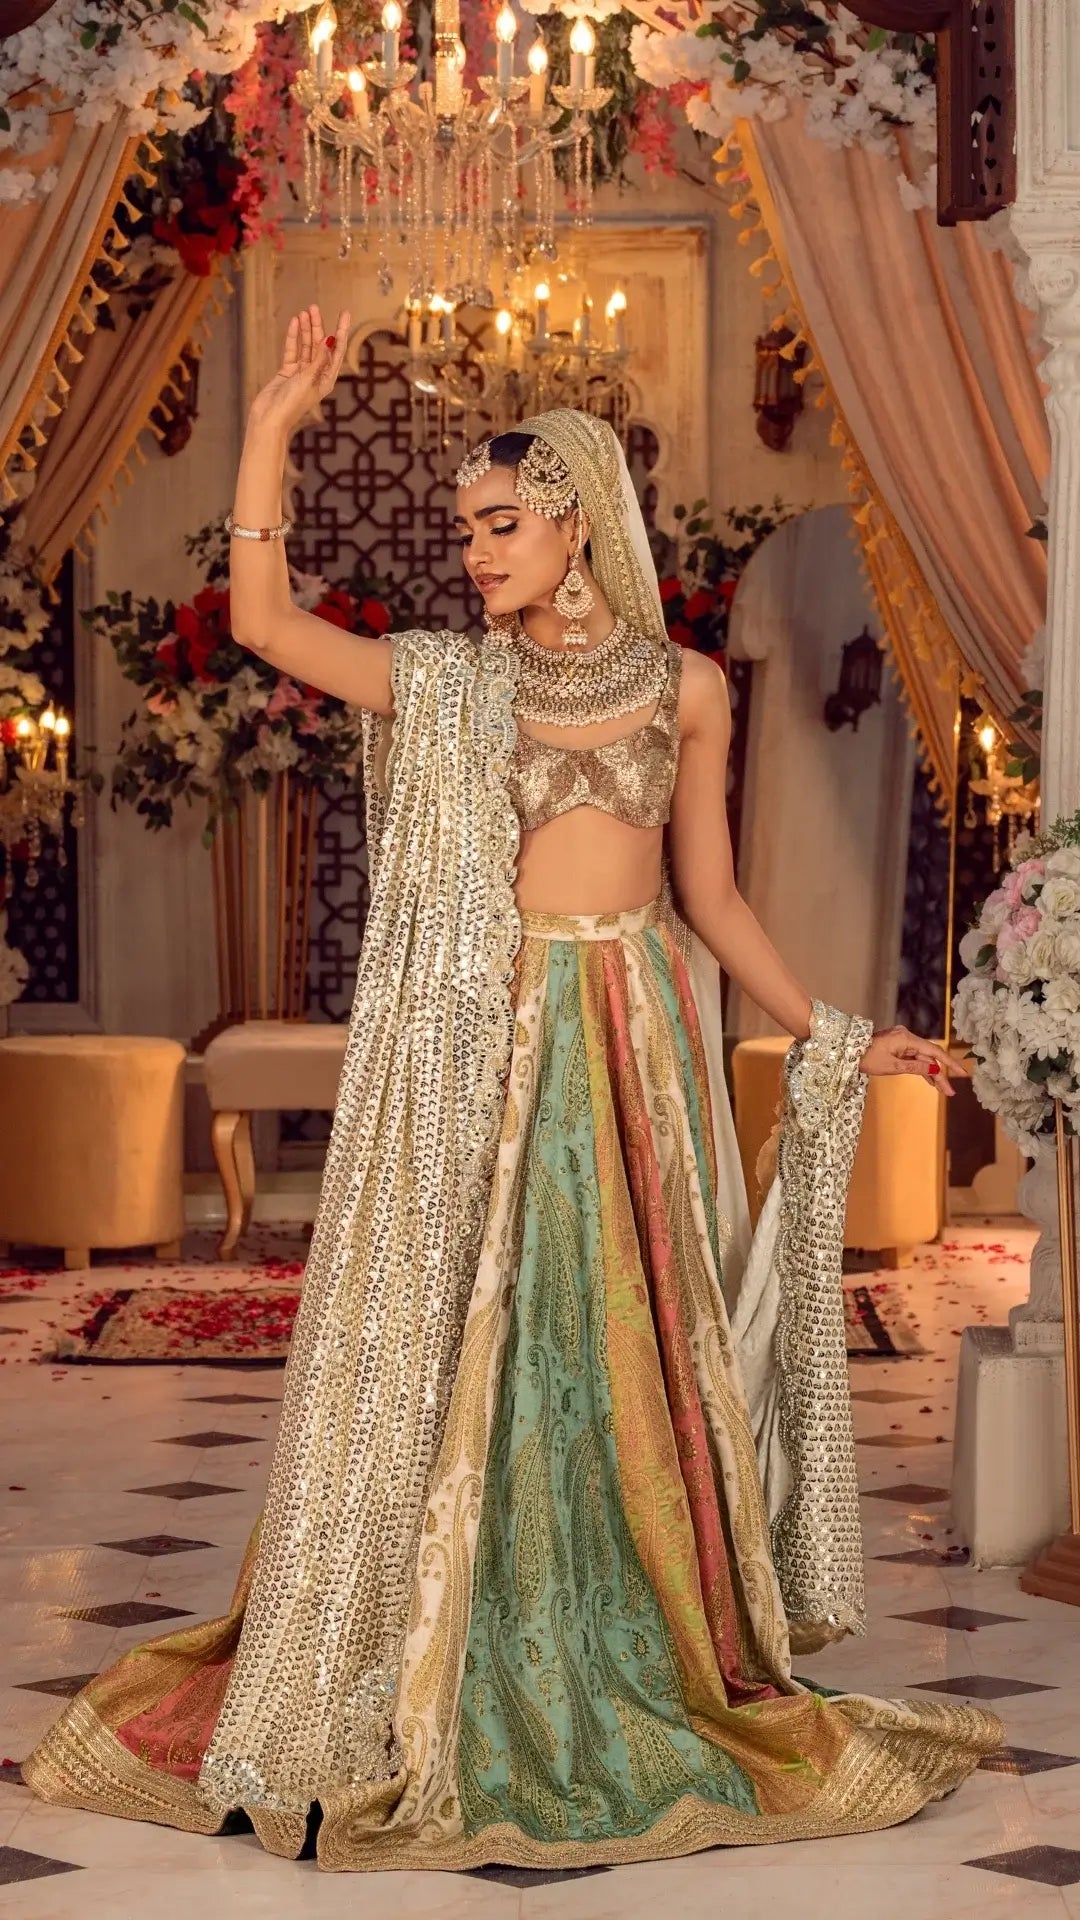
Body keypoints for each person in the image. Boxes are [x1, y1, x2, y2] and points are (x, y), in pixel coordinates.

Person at [25, 305, 1000, 1871]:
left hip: (629, 1047)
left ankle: (635, 1642)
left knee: (617, 1350)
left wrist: (842, 1028)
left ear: (579, 523)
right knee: (477, 1347)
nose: (475, 553)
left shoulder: (687, 689)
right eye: (465, 530)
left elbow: (715, 905)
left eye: (501, 525)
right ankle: (441, 1654)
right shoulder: (447, 682)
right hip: (481, 1051)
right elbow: (270, 628)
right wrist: (270, 427)